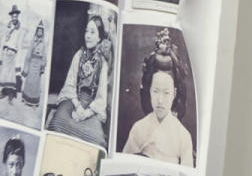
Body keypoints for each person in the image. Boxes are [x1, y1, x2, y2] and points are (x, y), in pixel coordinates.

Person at [122, 28, 194, 166]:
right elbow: (124, 168)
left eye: (166, 93)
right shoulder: (139, 129)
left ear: (174, 93)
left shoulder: (183, 136)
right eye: (155, 91)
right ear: (149, 91)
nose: (160, 100)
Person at [46, 15, 109, 147]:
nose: (88, 36)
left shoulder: (103, 64)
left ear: (99, 38)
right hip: (73, 99)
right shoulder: (78, 55)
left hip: (92, 106)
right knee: (57, 124)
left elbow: (101, 97)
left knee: (96, 139)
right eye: (86, 31)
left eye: (92, 32)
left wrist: (85, 114)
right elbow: (70, 83)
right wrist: (77, 105)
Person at [0, 6, 22, 102]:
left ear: (17, 17)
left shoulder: (20, 29)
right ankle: (2, 91)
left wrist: (18, 57)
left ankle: (11, 95)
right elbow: (4, 40)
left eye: (16, 16)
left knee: (12, 75)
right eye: (13, 16)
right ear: (11, 17)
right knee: (4, 73)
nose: (14, 18)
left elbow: (20, 44)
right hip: (6, 52)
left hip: (13, 53)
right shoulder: (7, 27)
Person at [20, 22, 45, 106]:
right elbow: (28, 53)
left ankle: (34, 101)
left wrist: (42, 65)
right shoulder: (32, 40)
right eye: (38, 31)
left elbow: (44, 55)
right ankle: (26, 98)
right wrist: (26, 65)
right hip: (32, 63)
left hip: (38, 65)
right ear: (36, 31)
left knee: (36, 83)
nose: (39, 33)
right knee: (29, 81)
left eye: (41, 31)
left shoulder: (44, 43)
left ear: (42, 33)